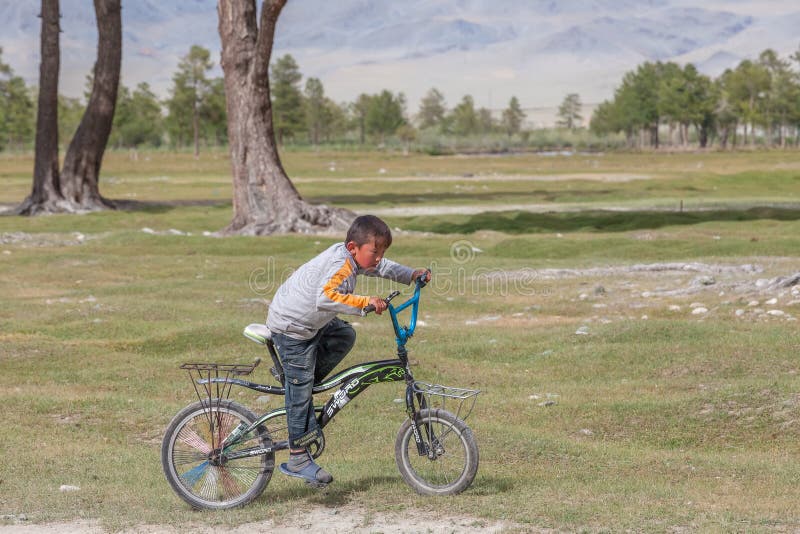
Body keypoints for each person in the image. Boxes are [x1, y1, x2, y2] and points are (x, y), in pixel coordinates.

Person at [266, 214, 430, 486]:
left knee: (344, 334)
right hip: (291, 328)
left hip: (310, 324)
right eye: (374, 251)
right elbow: (325, 296)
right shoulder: (340, 264)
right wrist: (365, 301)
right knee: (300, 390)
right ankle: (297, 456)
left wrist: (411, 274)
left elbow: (382, 267)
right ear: (353, 247)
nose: (378, 258)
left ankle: (299, 381)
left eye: (382, 251)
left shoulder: (354, 258)